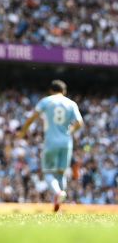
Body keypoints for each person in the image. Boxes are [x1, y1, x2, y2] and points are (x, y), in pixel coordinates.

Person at [17, 79, 84, 212]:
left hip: (51, 141)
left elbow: (32, 117)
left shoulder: (47, 101)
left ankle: (58, 193)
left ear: (50, 90)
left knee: (48, 172)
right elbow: (79, 123)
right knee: (61, 173)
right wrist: (70, 131)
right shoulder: (71, 103)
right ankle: (59, 204)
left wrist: (23, 131)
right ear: (64, 91)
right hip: (66, 142)